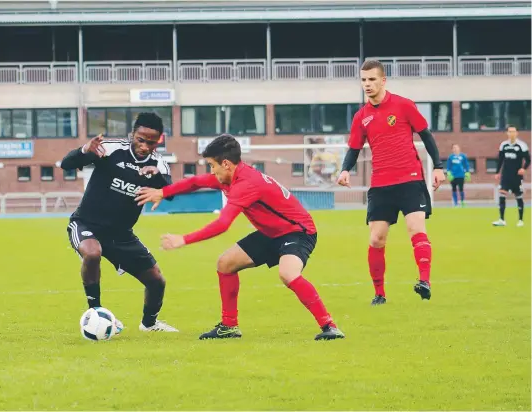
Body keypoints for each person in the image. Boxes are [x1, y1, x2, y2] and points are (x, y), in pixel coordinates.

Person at [135, 134, 345, 341]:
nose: (211, 171)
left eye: (212, 165)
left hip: (298, 232)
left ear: (225, 164)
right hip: (272, 233)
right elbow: (196, 182)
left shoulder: (246, 183)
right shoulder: (230, 176)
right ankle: (229, 326)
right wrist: (163, 192)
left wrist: (184, 239)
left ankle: (330, 326)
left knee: (288, 273)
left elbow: (223, 224)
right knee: (225, 263)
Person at [337, 59, 445, 305]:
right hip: (381, 183)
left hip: (410, 179)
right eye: (363, 80)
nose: (367, 84)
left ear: (383, 80)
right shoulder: (361, 117)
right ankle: (379, 294)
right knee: (376, 239)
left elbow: (426, 135)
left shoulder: (404, 105)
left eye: (372, 79)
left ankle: (424, 280)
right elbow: (354, 148)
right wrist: (345, 170)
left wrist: (438, 167)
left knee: (416, 229)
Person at [59, 112, 178, 333]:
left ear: (158, 141)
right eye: (140, 139)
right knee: (92, 253)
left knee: (156, 281)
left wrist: (158, 179)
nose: (144, 146)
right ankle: (95, 312)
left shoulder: (158, 163)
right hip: (86, 224)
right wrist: (84, 150)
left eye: (150, 143)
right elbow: (66, 164)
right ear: (132, 134)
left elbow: (169, 192)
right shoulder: (111, 150)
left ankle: (149, 324)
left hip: (121, 235)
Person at [492, 125, 530, 227]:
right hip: (506, 174)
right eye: (509, 131)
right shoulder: (503, 145)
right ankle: (502, 219)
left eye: (513, 131)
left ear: (517, 133)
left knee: (518, 195)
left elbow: (528, 160)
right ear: (507, 133)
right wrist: (497, 172)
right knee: (502, 194)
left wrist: (524, 168)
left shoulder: (521, 145)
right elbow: (500, 160)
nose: (511, 133)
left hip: (516, 175)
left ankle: (520, 220)